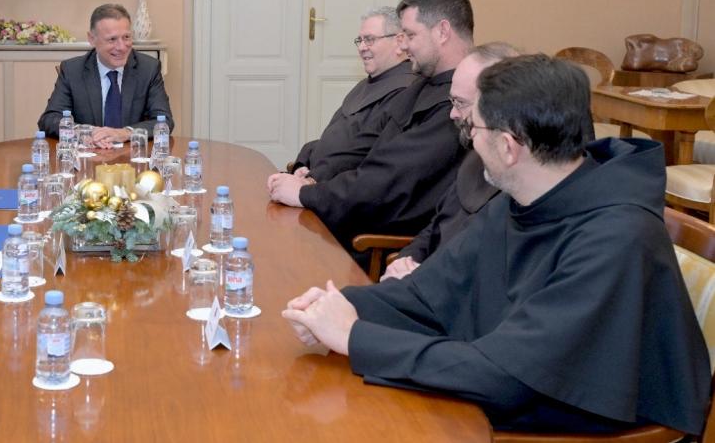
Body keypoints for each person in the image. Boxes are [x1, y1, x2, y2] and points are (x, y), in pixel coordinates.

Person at [283, 54, 710, 435]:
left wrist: (355, 337)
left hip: (583, 411)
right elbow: (428, 293)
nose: (469, 139)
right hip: (509, 373)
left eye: (474, 126)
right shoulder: (525, 198)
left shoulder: (616, 237)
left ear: (508, 146)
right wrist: (342, 307)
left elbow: (509, 376)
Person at [269, 0, 472, 250]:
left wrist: (305, 193)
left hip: (375, 242)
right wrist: (311, 176)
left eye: (410, 35)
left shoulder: (456, 104)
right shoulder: (420, 87)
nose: (404, 45)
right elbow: (365, 152)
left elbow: (387, 180)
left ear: (443, 31)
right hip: (353, 211)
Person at [380, 42, 517, 280]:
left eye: (460, 103)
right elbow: (436, 227)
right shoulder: (474, 157)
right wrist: (405, 260)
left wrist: (420, 277)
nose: (452, 113)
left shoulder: (518, 183)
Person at [272, 6, 417, 186]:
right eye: (360, 40)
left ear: (399, 41)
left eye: (369, 40)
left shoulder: (405, 91)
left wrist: (313, 178)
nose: (362, 48)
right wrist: (303, 163)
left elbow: (364, 154)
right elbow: (333, 139)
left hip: (345, 190)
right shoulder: (365, 84)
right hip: (318, 178)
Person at [37, 3, 174, 148]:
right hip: (89, 154)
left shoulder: (148, 69)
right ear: (92, 39)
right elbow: (49, 119)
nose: (121, 47)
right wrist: (87, 132)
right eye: (112, 39)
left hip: (132, 154)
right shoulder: (72, 70)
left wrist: (125, 133)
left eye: (126, 37)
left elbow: (164, 121)